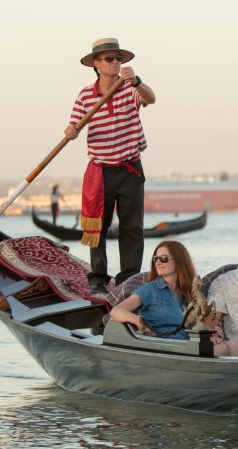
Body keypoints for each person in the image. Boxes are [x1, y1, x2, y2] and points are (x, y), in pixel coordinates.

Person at [64, 38, 156, 294]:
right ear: (97, 64)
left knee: (132, 227)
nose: (116, 62)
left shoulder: (130, 88)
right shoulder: (85, 95)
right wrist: (71, 130)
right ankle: (98, 278)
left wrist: (137, 81)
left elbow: (151, 98)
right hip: (100, 171)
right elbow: (74, 126)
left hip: (130, 168)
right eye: (110, 59)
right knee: (98, 227)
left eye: (118, 58)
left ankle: (128, 278)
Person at [109, 241, 238, 356]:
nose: (158, 263)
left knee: (236, 346)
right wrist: (138, 320)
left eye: (164, 258)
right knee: (221, 349)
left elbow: (198, 325)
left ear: (178, 261)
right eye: (156, 259)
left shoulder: (192, 292)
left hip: (188, 343)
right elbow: (116, 311)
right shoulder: (149, 289)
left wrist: (211, 333)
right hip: (164, 347)